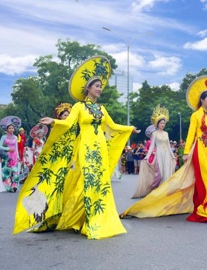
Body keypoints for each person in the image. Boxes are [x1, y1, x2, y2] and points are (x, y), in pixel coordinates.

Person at [13, 56, 140, 240]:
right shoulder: (79, 107)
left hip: (100, 148)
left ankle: (93, 218)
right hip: (85, 146)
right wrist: (54, 121)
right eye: (97, 86)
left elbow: (112, 126)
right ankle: (79, 218)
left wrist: (130, 129)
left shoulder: (102, 109)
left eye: (100, 86)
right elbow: (69, 123)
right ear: (88, 88)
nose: (100, 89)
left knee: (99, 183)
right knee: (85, 180)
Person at [122, 75, 207, 224]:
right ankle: (206, 210)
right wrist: (186, 153)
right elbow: (191, 134)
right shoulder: (196, 115)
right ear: (202, 100)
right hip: (200, 150)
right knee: (206, 179)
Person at [144, 105, 176, 183]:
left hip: (167, 154)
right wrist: (147, 156)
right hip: (159, 154)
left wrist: (173, 156)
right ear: (157, 124)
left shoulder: (166, 133)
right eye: (161, 123)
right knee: (160, 174)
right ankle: (158, 190)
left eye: (164, 123)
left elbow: (168, 146)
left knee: (167, 174)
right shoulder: (154, 134)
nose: (163, 125)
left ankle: (165, 191)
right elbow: (152, 146)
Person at [131, 125, 161, 198]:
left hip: (158, 157)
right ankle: (150, 189)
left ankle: (157, 188)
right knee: (151, 174)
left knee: (158, 174)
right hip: (150, 157)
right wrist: (151, 152)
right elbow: (145, 150)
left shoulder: (158, 140)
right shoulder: (148, 142)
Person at [0, 116, 21, 192]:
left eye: (12, 128)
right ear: (7, 129)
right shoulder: (3, 137)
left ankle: (14, 186)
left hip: (14, 156)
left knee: (15, 171)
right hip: (7, 156)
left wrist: (18, 156)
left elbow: (16, 147)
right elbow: (0, 146)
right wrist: (8, 149)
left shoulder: (15, 137)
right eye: (10, 128)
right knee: (7, 171)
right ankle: (7, 186)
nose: (11, 130)